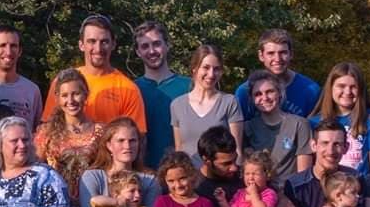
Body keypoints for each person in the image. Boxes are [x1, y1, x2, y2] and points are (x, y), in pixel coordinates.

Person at [40, 15, 145, 132]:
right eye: (92, 41)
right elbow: (47, 129)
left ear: (113, 44)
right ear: (81, 45)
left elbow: (137, 139)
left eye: (104, 42)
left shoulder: (128, 89)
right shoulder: (63, 82)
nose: (98, 48)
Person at [34, 68, 103, 200]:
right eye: (65, 95)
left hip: (92, 203)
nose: (70, 100)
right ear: (57, 98)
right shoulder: (46, 132)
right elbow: (35, 168)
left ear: (86, 94)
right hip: (55, 203)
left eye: (76, 93)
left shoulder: (100, 132)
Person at [166, 44, 243, 159]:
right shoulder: (177, 105)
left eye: (216, 69)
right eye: (206, 67)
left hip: (220, 175)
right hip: (189, 174)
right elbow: (179, 149)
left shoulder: (230, 102)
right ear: (194, 69)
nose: (211, 74)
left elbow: (237, 151)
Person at [133, 20, 191, 166]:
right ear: (138, 52)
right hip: (144, 175)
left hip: (183, 173)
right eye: (145, 46)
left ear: (167, 45)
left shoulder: (190, 86)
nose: (152, 51)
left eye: (157, 44)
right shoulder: (131, 90)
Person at [242, 71, 314, 183]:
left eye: (270, 91)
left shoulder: (299, 124)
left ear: (279, 93)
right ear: (251, 98)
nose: (265, 98)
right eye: (258, 94)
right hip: (258, 192)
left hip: (290, 193)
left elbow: (303, 174)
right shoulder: (247, 127)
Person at [314, 61, 370, 171]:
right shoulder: (314, 122)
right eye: (341, 86)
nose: (347, 92)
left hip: (362, 185)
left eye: (353, 87)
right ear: (330, 88)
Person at [234, 28, 321, 120]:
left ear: (291, 54)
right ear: (261, 56)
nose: (277, 59)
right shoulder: (245, 92)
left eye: (283, 52)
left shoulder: (311, 90)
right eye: (271, 53)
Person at [0, 26, 41, 127]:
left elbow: (37, 132)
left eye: (13, 46)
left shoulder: (32, 90)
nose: (8, 52)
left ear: (20, 51)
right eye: (2, 45)